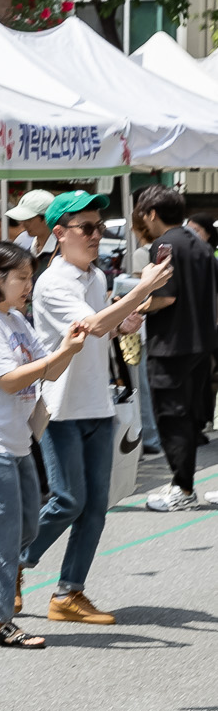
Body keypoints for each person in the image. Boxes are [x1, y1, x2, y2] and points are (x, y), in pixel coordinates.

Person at [24, 194, 171, 626]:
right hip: (60, 405)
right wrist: (141, 289)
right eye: (86, 228)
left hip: (98, 401)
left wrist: (125, 319)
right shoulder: (52, 283)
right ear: (59, 233)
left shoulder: (93, 276)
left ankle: (69, 592)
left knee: (95, 506)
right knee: (68, 500)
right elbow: (93, 325)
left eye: (99, 226)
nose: (96, 235)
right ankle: (11, 563)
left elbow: (101, 326)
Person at [0, 243, 92, 649]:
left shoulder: (17, 321)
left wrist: (67, 349)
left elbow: (49, 370)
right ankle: (0, 623)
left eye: (30, 276)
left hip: (16, 440)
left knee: (25, 528)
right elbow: (9, 379)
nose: (29, 285)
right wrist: (59, 354)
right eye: (22, 277)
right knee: (3, 534)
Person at [132, 185, 218, 511]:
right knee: (191, 416)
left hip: (171, 345)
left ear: (150, 213)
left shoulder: (164, 244)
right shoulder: (200, 243)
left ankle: (182, 489)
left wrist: (135, 306)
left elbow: (165, 295)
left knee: (171, 418)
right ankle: (184, 486)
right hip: (202, 343)